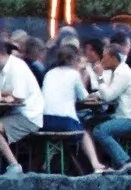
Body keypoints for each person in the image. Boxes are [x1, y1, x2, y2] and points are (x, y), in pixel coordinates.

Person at [39, 43, 105, 173]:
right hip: (64, 121)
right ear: (74, 59)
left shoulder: (49, 73)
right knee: (84, 132)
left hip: (44, 121)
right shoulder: (73, 74)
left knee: (58, 135)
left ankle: (47, 161)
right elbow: (84, 97)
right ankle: (95, 164)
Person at [0, 39, 44, 174]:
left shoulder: (17, 67)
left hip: (29, 115)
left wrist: (3, 96)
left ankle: (14, 166)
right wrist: (4, 95)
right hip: (14, 113)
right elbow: (0, 93)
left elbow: (18, 97)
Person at [92, 41, 131, 172]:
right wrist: (95, 94)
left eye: (104, 57)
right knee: (92, 122)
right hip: (126, 116)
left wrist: (100, 76)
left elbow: (108, 96)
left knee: (100, 131)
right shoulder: (119, 71)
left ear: (113, 57)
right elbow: (109, 90)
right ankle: (102, 163)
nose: (102, 61)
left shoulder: (122, 73)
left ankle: (126, 161)